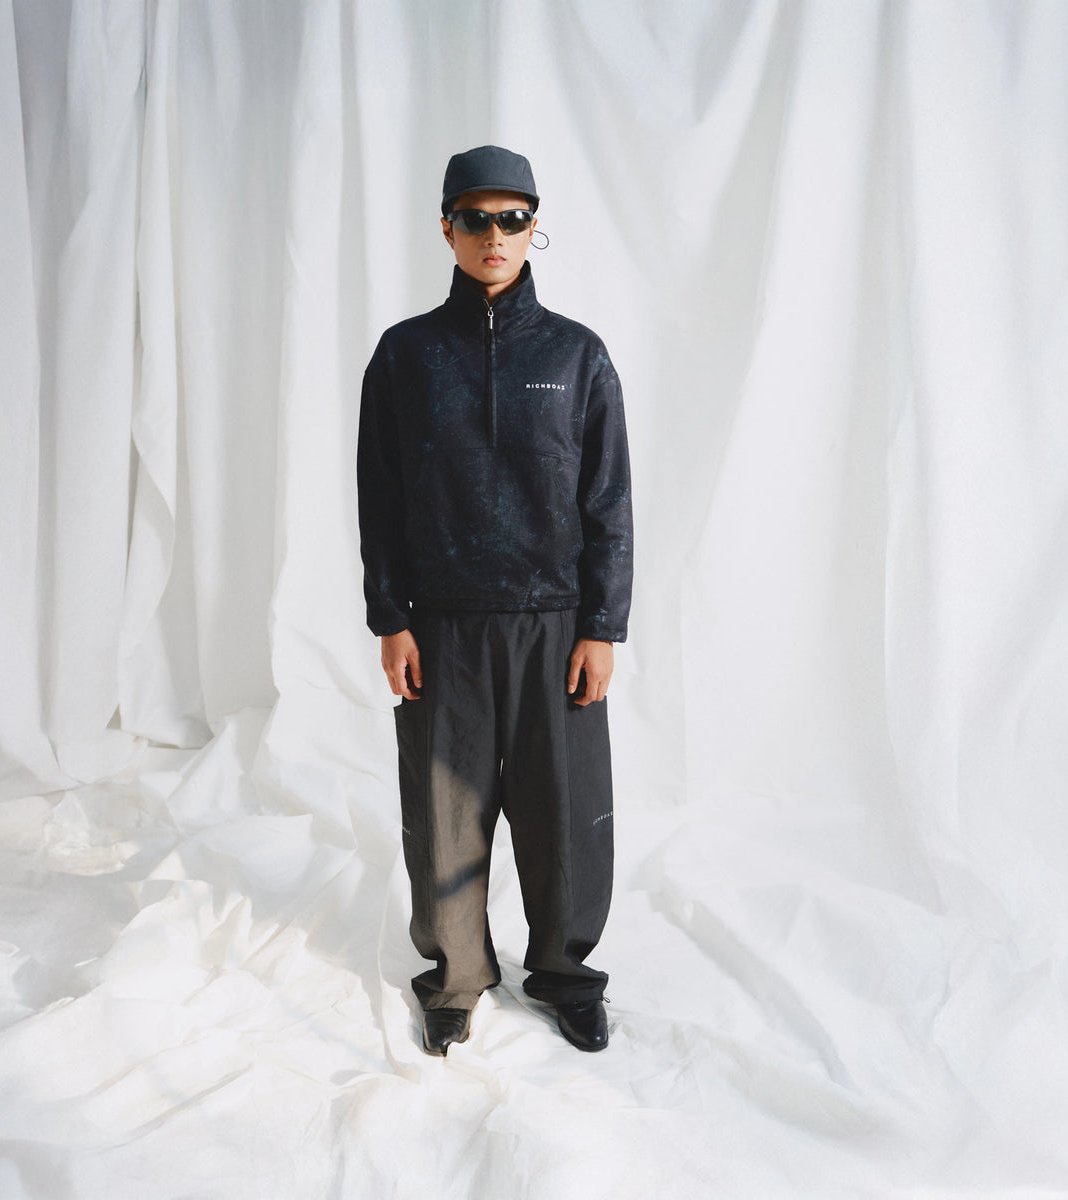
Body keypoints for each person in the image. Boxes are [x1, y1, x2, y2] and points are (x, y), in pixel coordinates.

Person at [357, 145, 633, 1056]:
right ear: (447, 228)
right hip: (442, 627)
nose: (495, 235)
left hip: (555, 628)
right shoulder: (406, 355)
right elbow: (379, 498)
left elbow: (607, 501)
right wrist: (391, 617)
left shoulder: (576, 355)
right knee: (445, 819)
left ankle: (564, 973)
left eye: (513, 219)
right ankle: (456, 976)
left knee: (565, 816)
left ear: (533, 229)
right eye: (476, 218)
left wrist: (601, 626)